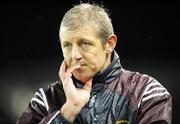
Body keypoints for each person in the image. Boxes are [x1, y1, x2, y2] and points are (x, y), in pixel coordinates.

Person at [17, 2, 172, 124]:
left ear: (110, 44)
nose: (75, 55)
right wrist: (69, 111)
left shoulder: (146, 94)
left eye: (84, 43)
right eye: (67, 45)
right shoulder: (45, 100)